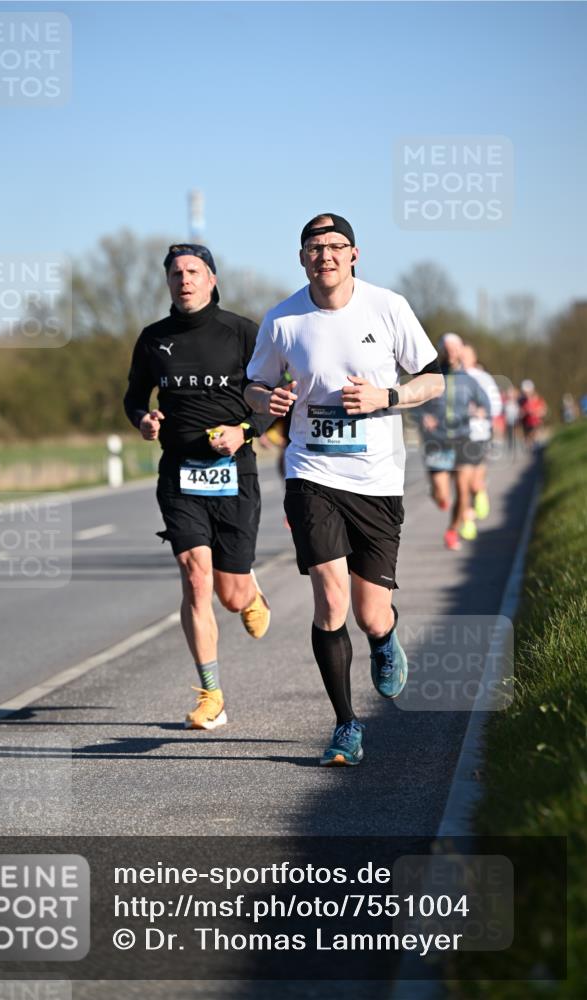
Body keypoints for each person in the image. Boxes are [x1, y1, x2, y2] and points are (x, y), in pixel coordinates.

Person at [244, 213, 444, 767]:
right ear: (301, 256)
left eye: (335, 246)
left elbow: (434, 377)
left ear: (355, 254)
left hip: (378, 480)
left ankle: (384, 639)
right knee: (330, 598)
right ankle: (345, 725)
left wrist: (387, 397)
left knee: (370, 611)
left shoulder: (388, 307)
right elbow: (254, 385)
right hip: (311, 473)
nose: (324, 255)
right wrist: (267, 402)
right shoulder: (283, 320)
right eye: (314, 247)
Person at [124, 243, 271, 730]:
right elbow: (133, 399)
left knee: (229, 595)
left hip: (235, 476)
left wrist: (244, 431)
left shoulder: (243, 332)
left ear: (211, 279)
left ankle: (250, 594)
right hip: (180, 475)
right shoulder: (153, 339)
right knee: (195, 580)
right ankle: (212, 695)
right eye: (175, 273)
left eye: (193, 271)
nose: (184, 279)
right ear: (168, 283)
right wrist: (144, 420)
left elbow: (273, 401)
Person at [416, 333, 491, 550]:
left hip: (462, 439)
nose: (451, 352)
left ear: (460, 350)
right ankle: (437, 494)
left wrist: (481, 411)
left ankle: (452, 530)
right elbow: (414, 402)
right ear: (440, 350)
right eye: (446, 348)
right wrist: (423, 417)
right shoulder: (431, 376)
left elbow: (485, 404)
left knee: (463, 490)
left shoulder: (470, 380)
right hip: (437, 441)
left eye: (455, 348)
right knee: (442, 497)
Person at [460, 343, 503, 526]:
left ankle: (480, 491)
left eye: (465, 355)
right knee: (462, 482)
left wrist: (483, 411)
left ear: (474, 358)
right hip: (456, 435)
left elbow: (496, 404)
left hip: (479, 433)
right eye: (459, 356)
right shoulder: (450, 378)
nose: (461, 359)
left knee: (474, 482)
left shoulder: (483, 378)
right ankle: (468, 521)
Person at [518, 379, 547, 449]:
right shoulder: (521, 401)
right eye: (525, 392)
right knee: (528, 442)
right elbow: (520, 413)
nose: (526, 394)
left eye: (527, 392)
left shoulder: (538, 399)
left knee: (536, 439)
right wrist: (525, 412)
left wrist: (535, 412)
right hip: (526, 424)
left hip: (536, 423)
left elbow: (544, 411)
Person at [503, 387, 520, 454]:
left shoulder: (517, 402)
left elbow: (518, 411)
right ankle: (510, 446)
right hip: (509, 420)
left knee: (516, 433)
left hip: (516, 420)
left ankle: (517, 445)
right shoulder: (506, 403)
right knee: (510, 433)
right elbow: (505, 412)